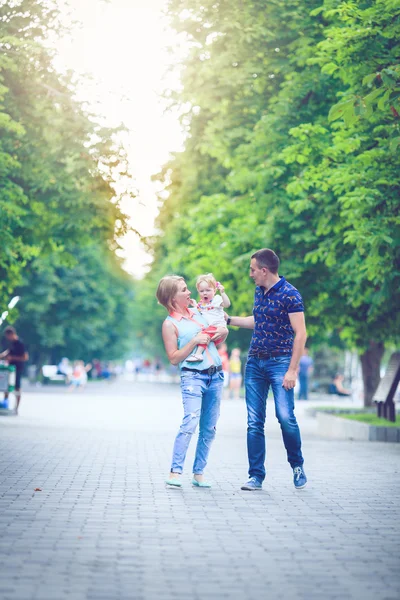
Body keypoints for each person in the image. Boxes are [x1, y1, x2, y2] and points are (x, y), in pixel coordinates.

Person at [225, 248, 308, 490]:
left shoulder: (291, 295)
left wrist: (292, 370)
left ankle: (297, 465)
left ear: (264, 270)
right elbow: (257, 321)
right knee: (254, 421)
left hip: (280, 363)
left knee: (285, 417)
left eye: (252, 270)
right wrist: (229, 319)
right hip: (255, 364)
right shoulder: (259, 291)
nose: (250, 274)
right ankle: (256, 476)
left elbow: (301, 334)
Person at [156, 275, 228, 488]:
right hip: (192, 377)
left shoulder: (199, 312)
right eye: (184, 290)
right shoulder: (170, 324)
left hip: (215, 375)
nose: (190, 293)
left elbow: (217, 335)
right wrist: (194, 341)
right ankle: (175, 472)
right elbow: (173, 358)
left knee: (209, 427)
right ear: (172, 298)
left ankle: (198, 473)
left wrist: (222, 333)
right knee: (191, 421)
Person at [186, 273, 231, 362]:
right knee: (202, 337)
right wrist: (194, 304)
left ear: (214, 290)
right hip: (212, 329)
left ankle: (198, 354)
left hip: (217, 327)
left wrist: (223, 293)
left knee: (203, 336)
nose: (205, 293)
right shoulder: (202, 304)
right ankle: (208, 359)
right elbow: (200, 312)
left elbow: (227, 304)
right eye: (201, 291)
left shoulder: (216, 300)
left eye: (208, 290)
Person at [0, 326, 29, 415]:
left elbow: (25, 357)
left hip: (18, 368)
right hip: (10, 368)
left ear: (12, 334)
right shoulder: (12, 343)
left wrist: (12, 358)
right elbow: (8, 352)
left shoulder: (20, 343)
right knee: (6, 386)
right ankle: (5, 404)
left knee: (17, 387)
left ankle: (16, 407)